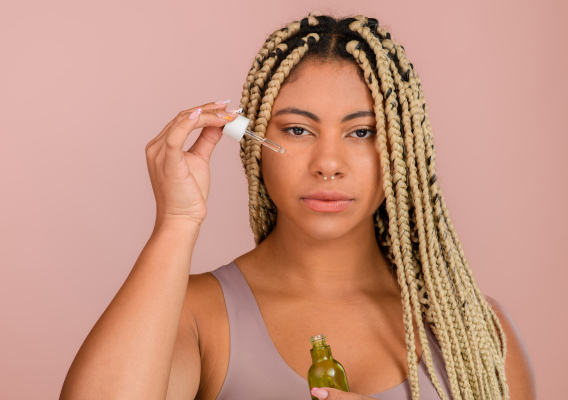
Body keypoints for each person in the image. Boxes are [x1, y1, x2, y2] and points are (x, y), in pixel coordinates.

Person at [60, 14, 536, 400]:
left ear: (403, 150)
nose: (328, 163)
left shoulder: (476, 331)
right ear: (255, 145)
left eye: (362, 132)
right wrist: (177, 222)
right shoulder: (196, 314)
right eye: (297, 130)